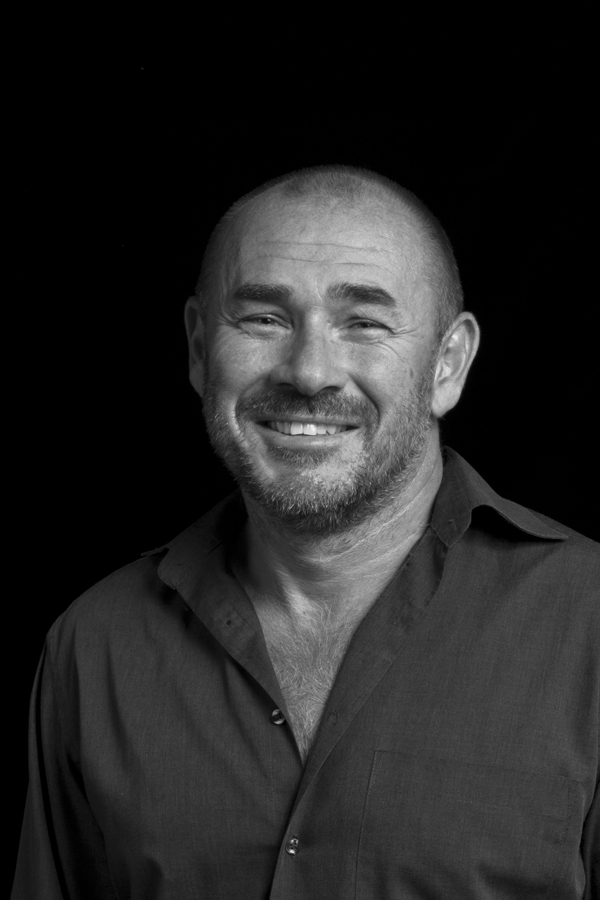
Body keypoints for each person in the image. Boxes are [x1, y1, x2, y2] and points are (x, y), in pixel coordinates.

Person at [12, 165, 599, 900]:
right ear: (198, 348)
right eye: (264, 318)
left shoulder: (590, 626)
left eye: (364, 323)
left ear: (448, 365)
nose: (310, 372)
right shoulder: (95, 645)